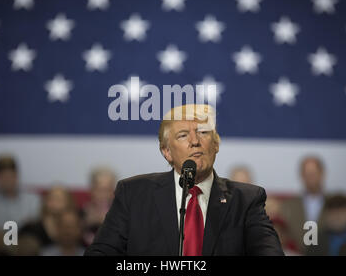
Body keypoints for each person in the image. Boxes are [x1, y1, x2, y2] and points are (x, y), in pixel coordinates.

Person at [84, 104, 283, 256]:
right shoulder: (134, 194)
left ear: (216, 145)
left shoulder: (246, 200)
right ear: (166, 151)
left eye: (203, 133)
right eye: (183, 135)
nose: (195, 141)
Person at [0, 154, 41, 230]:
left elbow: (34, 227)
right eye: (3, 177)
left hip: (24, 240)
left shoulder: (32, 200)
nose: (7, 180)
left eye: (10, 176)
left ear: (16, 176)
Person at [280, 156, 328, 254]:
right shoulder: (288, 206)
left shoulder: (334, 205)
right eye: (307, 174)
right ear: (301, 176)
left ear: (322, 174)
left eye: (313, 173)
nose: (310, 178)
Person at [82, 166, 117, 246]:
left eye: (108, 190)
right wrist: (84, 224)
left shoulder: (120, 214)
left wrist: (104, 221)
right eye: (99, 190)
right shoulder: (83, 211)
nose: (103, 195)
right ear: (91, 190)